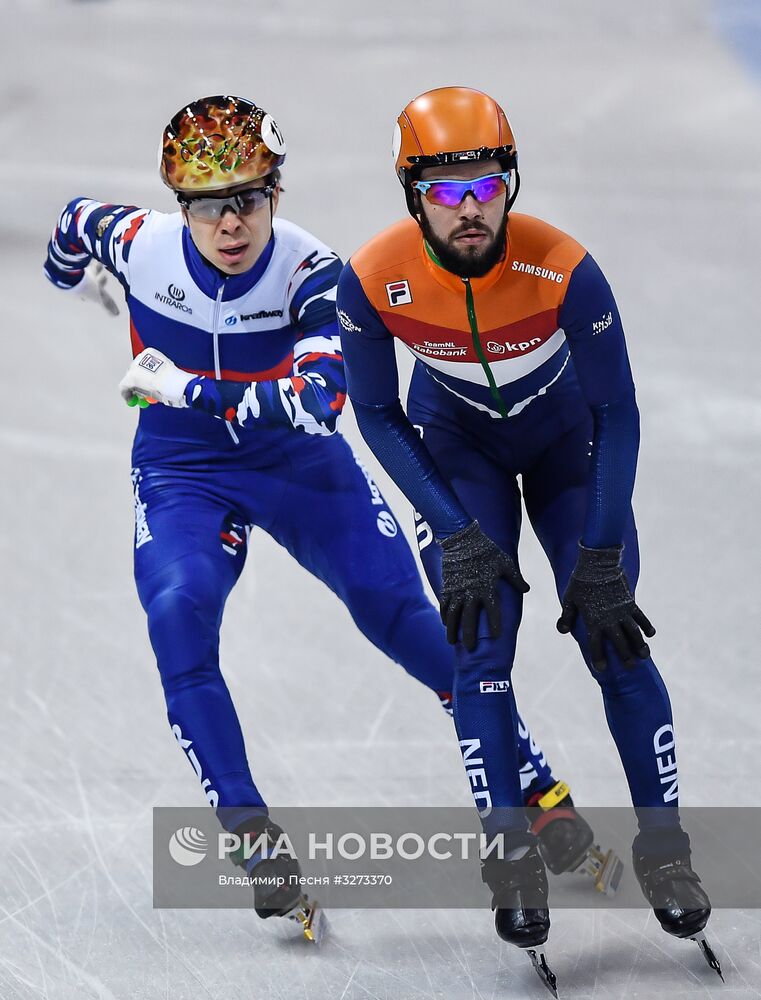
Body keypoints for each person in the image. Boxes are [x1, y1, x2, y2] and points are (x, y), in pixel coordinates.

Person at [44, 93, 618, 940]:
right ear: (181, 207)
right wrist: (78, 279)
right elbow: (69, 226)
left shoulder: (315, 273)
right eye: (209, 204)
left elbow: (316, 404)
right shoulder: (136, 243)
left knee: (406, 622)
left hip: (297, 464)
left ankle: (533, 793)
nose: (230, 223)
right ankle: (251, 838)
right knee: (177, 614)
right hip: (183, 471)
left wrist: (179, 387)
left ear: (278, 192)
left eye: (248, 198)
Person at [336, 86, 721, 984]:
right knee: (480, 645)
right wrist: (453, 532)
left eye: (485, 186)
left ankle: (664, 851)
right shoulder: (372, 279)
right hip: (457, 450)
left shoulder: (565, 268)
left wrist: (595, 557)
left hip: (565, 452)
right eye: (444, 191)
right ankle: (509, 853)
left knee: (612, 637)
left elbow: (616, 414)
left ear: (510, 183)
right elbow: (379, 414)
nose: (469, 210)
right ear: (411, 196)